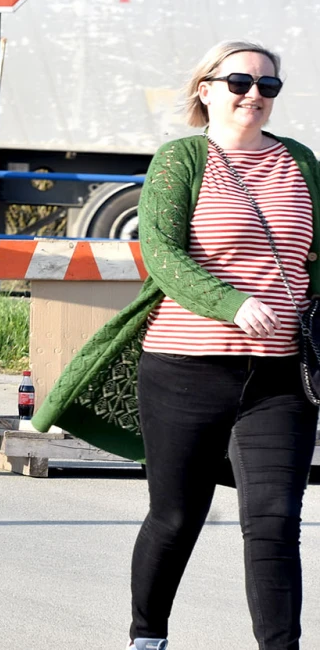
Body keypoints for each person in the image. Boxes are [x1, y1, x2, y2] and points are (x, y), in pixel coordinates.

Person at [32, 41, 319, 650]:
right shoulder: (182, 159)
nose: (254, 94)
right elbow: (160, 254)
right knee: (177, 517)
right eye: (240, 80)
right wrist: (232, 304)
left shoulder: (300, 160)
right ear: (206, 89)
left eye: (269, 86)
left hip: (279, 378)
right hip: (186, 369)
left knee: (274, 523)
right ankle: (147, 636)